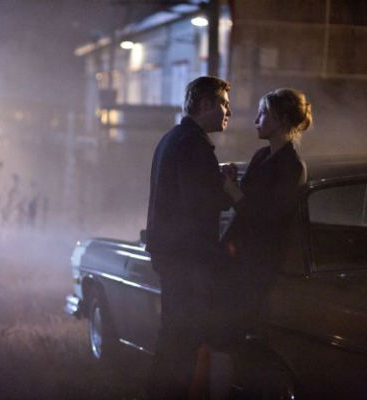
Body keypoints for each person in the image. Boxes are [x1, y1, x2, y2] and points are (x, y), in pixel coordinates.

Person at [146, 76, 232, 399]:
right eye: (224, 104)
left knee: (173, 337)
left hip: (171, 254)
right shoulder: (194, 145)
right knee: (182, 339)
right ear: (206, 104)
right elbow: (200, 202)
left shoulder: (172, 138)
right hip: (187, 258)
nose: (228, 112)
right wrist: (227, 189)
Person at [221, 88, 311, 333]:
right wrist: (233, 183)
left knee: (246, 326)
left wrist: (231, 188)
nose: (256, 120)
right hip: (242, 255)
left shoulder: (291, 166)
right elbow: (246, 201)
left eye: (263, 114)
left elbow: (267, 218)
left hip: (261, 260)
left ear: (281, 119)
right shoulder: (262, 155)